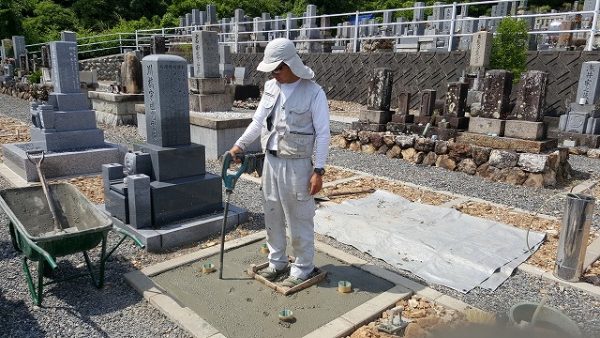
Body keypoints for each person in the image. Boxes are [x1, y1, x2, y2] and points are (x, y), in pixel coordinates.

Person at [229, 38, 330, 287]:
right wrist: (240, 144)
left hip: (298, 164)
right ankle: (277, 262)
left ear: (289, 64)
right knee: (272, 212)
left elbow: (324, 133)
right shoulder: (271, 87)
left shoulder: (314, 92)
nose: (274, 74)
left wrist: (318, 170)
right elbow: (257, 121)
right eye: (271, 70)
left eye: (277, 68)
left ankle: (304, 266)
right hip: (271, 162)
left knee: (299, 216)